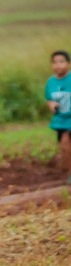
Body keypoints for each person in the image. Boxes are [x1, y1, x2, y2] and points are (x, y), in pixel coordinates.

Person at [45, 49, 71, 184]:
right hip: (61, 120)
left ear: (68, 63)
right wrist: (51, 104)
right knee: (65, 146)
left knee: (67, 143)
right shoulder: (51, 82)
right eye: (55, 62)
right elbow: (48, 98)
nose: (58, 65)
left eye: (61, 62)